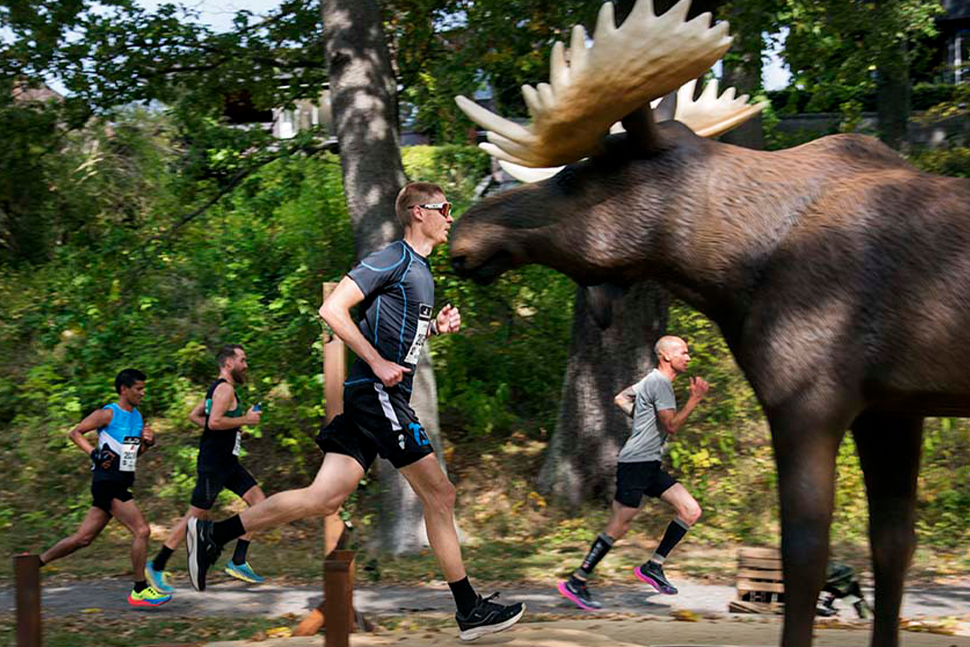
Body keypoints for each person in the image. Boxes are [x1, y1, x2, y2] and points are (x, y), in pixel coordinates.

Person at [186, 182, 525, 641]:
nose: (450, 216)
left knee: (323, 498)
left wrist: (437, 330)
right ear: (417, 213)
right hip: (376, 395)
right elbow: (332, 309)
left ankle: (212, 536)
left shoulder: (421, 271)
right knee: (440, 495)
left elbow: (399, 339)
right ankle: (469, 608)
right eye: (444, 208)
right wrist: (377, 362)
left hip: (376, 396)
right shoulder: (394, 258)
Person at [558, 336, 709, 611]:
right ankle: (577, 581)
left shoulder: (651, 380)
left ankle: (653, 566)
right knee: (620, 524)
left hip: (648, 464)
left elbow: (621, 398)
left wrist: (641, 419)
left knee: (690, 511)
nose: (688, 357)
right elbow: (672, 426)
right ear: (665, 356)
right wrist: (694, 399)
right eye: (683, 353)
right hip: (636, 463)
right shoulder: (661, 384)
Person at [39, 369, 172, 607]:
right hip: (106, 481)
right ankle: (139, 590)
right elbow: (75, 432)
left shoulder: (138, 417)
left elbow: (132, 457)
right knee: (142, 531)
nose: (143, 393)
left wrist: (147, 444)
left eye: (143, 388)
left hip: (120, 480)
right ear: (124, 389)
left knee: (83, 538)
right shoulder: (108, 413)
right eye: (138, 388)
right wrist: (94, 454)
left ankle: (36, 563)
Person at [145, 345, 266, 593]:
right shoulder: (224, 388)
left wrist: (231, 428)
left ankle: (238, 560)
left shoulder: (218, 389)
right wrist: (245, 420)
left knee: (262, 504)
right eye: (242, 360)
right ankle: (156, 566)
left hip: (229, 463)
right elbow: (214, 421)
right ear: (229, 363)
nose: (246, 364)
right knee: (194, 516)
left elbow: (195, 416)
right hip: (214, 465)